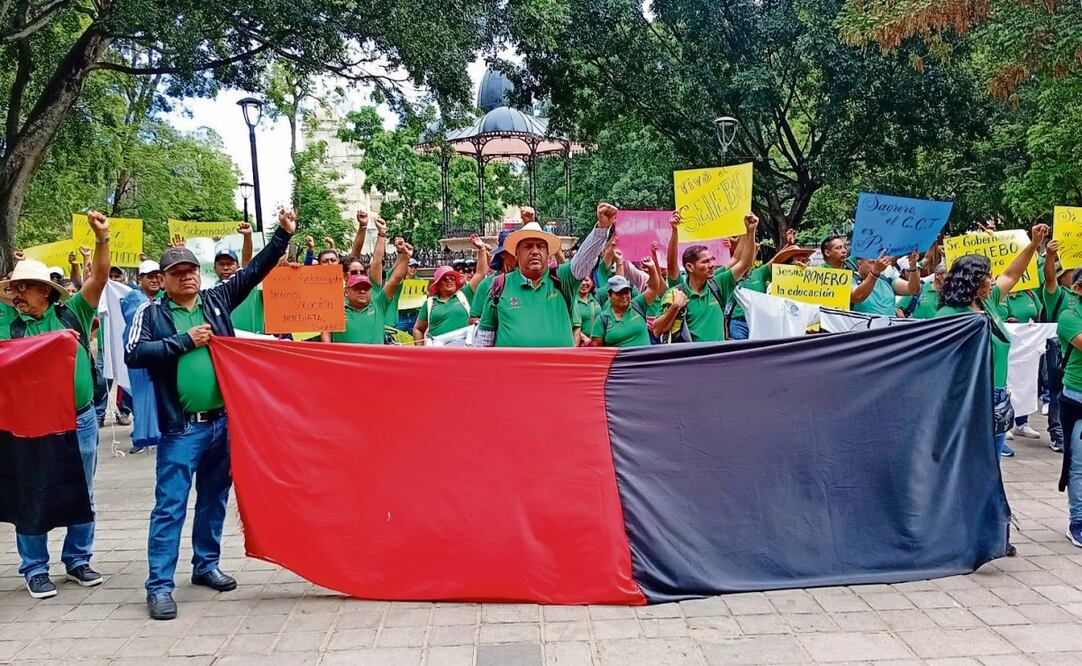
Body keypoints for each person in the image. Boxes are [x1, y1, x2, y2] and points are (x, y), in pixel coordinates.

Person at [125, 208, 296, 621]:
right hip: (182, 428)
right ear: (162, 280)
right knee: (170, 506)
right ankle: (160, 586)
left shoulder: (216, 299)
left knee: (214, 498)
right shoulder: (151, 314)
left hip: (223, 422)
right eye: (176, 272)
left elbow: (254, 272)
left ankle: (205, 565)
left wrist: (283, 235)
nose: (186, 276)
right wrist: (183, 341)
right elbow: (134, 354)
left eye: (190, 270)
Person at [0, 211, 111, 599]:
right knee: (31, 490)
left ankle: (78, 559)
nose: (16, 295)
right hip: (27, 424)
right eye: (13, 289)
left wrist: (102, 240)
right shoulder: (4, 322)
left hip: (78, 419)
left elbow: (98, 278)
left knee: (83, 488)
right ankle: (34, 568)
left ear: (44, 291)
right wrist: (13, 271)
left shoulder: (73, 312)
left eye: (24, 289)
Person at [935, 223, 1049, 459]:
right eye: (987, 275)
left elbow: (1012, 274)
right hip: (970, 400)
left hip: (997, 397)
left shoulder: (990, 302)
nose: (993, 279)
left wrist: (1034, 244)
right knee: (972, 464)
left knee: (991, 464)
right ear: (973, 281)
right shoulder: (948, 315)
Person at [475, 203, 615, 347]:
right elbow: (484, 340)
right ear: (516, 253)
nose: (535, 251)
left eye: (541, 246)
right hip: (513, 369)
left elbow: (585, 259)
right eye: (528, 246)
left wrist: (602, 229)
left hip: (558, 368)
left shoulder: (563, 279)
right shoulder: (499, 285)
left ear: (548, 254)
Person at [652, 212, 759, 343]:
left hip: (718, 360)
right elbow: (657, 330)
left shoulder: (719, 285)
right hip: (692, 361)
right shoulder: (676, 293)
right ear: (690, 267)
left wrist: (751, 231)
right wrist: (675, 307)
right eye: (705, 262)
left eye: (711, 260)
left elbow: (744, 263)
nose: (711, 265)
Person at [324, 233, 411, 345]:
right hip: (344, 362)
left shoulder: (379, 305)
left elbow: (394, 280)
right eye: (357, 288)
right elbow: (324, 330)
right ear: (346, 292)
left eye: (366, 287)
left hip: (375, 362)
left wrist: (405, 256)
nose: (362, 291)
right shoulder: (334, 307)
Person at [120, 260, 163, 454]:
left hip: (161, 355)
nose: (154, 280)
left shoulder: (166, 298)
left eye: (157, 276)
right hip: (140, 357)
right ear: (140, 279)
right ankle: (143, 436)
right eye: (149, 276)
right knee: (142, 396)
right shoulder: (133, 299)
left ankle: (160, 434)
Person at [1052, 267, 1082, 548]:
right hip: (1077, 399)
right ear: (1078, 289)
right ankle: (1078, 522)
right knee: (1078, 465)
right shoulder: (1070, 316)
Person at [413, 237, 487, 343]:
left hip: (463, 352)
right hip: (438, 354)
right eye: (445, 279)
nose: (449, 281)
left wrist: (482, 249)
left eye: (452, 278)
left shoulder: (464, 294)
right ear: (438, 283)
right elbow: (418, 329)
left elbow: (480, 273)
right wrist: (419, 352)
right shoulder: (429, 303)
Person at [1041, 241, 1075, 453]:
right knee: (1057, 393)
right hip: (1059, 352)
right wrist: (1051, 256)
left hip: (1076, 356)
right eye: (1070, 271)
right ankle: (1057, 434)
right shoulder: (1057, 294)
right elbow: (1049, 277)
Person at [591, 257, 664, 348]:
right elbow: (597, 350)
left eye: (626, 292)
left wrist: (652, 268)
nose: (624, 296)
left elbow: (653, 288)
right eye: (619, 293)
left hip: (645, 361)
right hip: (620, 362)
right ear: (609, 295)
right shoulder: (602, 320)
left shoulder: (638, 305)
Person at [850, 251, 922, 316]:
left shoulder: (886, 278)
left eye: (877, 262)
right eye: (872, 262)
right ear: (859, 264)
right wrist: (875, 273)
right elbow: (857, 296)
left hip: (889, 328)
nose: (877, 265)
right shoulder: (852, 279)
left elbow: (913, 289)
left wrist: (913, 266)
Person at [574, 276, 602, 346]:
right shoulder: (571, 300)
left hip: (598, 345)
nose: (583, 283)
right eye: (580, 280)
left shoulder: (598, 296)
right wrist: (583, 337)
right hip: (581, 345)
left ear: (592, 282)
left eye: (586, 280)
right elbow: (567, 324)